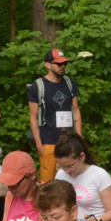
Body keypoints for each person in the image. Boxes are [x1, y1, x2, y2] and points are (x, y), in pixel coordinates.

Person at [54, 132, 111, 221]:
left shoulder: (100, 175)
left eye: (71, 166)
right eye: (62, 166)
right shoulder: (60, 175)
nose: (67, 171)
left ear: (82, 157)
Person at [28, 48, 81, 182]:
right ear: (48, 65)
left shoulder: (70, 83)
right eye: (58, 64)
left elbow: (76, 110)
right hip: (48, 142)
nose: (62, 66)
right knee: (48, 183)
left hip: (69, 142)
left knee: (71, 181)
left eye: (64, 63)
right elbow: (33, 117)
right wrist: (39, 145)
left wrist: (79, 138)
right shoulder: (37, 86)